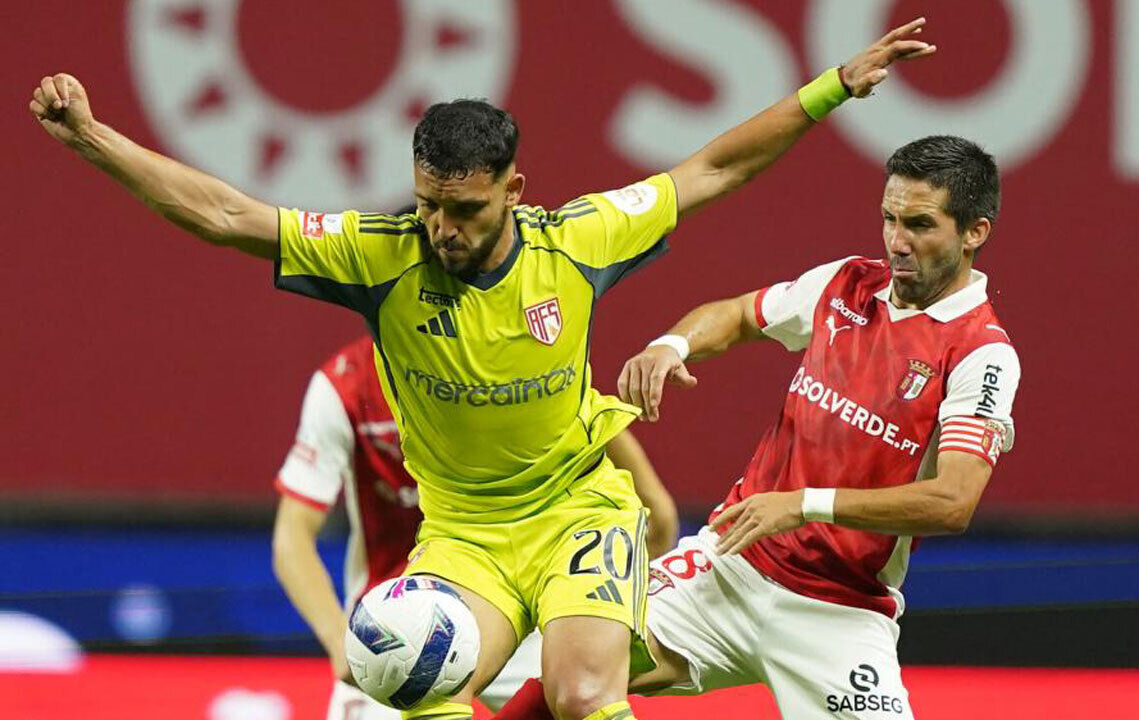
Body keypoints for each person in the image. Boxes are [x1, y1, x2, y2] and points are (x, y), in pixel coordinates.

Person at [29, 18, 934, 720]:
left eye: (463, 210)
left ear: (513, 190)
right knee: (414, 686)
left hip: (578, 512)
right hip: (464, 537)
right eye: (429, 204)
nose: (442, 229)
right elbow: (227, 215)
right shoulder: (378, 255)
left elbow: (714, 169)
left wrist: (830, 89)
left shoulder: (578, 240)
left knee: (583, 694)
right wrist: (92, 138)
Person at [495, 135, 1020, 720]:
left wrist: (803, 505)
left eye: (920, 225)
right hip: (728, 562)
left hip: (839, 611)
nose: (897, 242)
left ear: (974, 232)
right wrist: (672, 345)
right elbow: (739, 314)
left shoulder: (981, 353)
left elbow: (952, 502)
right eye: (889, 219)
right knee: (568, 672)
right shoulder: (846, 284)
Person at [271, 336, 677, 720]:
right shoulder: (345, 386)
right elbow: (292, 539)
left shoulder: (512, 358)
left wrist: (598, 604)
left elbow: (658, 515)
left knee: (583, 696)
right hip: (394, 634)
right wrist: (339, 641)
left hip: (524, 619)